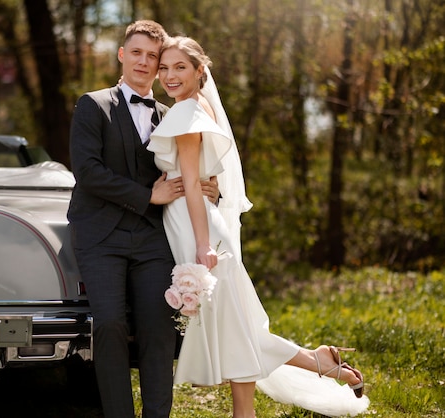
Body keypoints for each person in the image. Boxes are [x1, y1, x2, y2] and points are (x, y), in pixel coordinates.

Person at [148, 35, 370, 418]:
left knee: (233, 326)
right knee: (237, 325)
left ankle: (248, 411)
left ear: (200, 71)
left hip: (195, 226)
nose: (168, 75)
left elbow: (192, 185)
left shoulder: (185, 113)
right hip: (199, 221)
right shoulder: (197, 106)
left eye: (179, 67)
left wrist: (202, 247)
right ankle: (314, 362)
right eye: (164, 67)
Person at [67, 21, 220, 418]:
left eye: (153, 56)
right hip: (101, 236)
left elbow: (190, 168)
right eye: (136, 52)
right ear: (122, 55)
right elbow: (88, 172)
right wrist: (146, 194)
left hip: (154, 237)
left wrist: (208, 187)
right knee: (111, 326)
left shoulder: (172, 115)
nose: (144, 61)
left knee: (159, 330)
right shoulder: (92, 104)